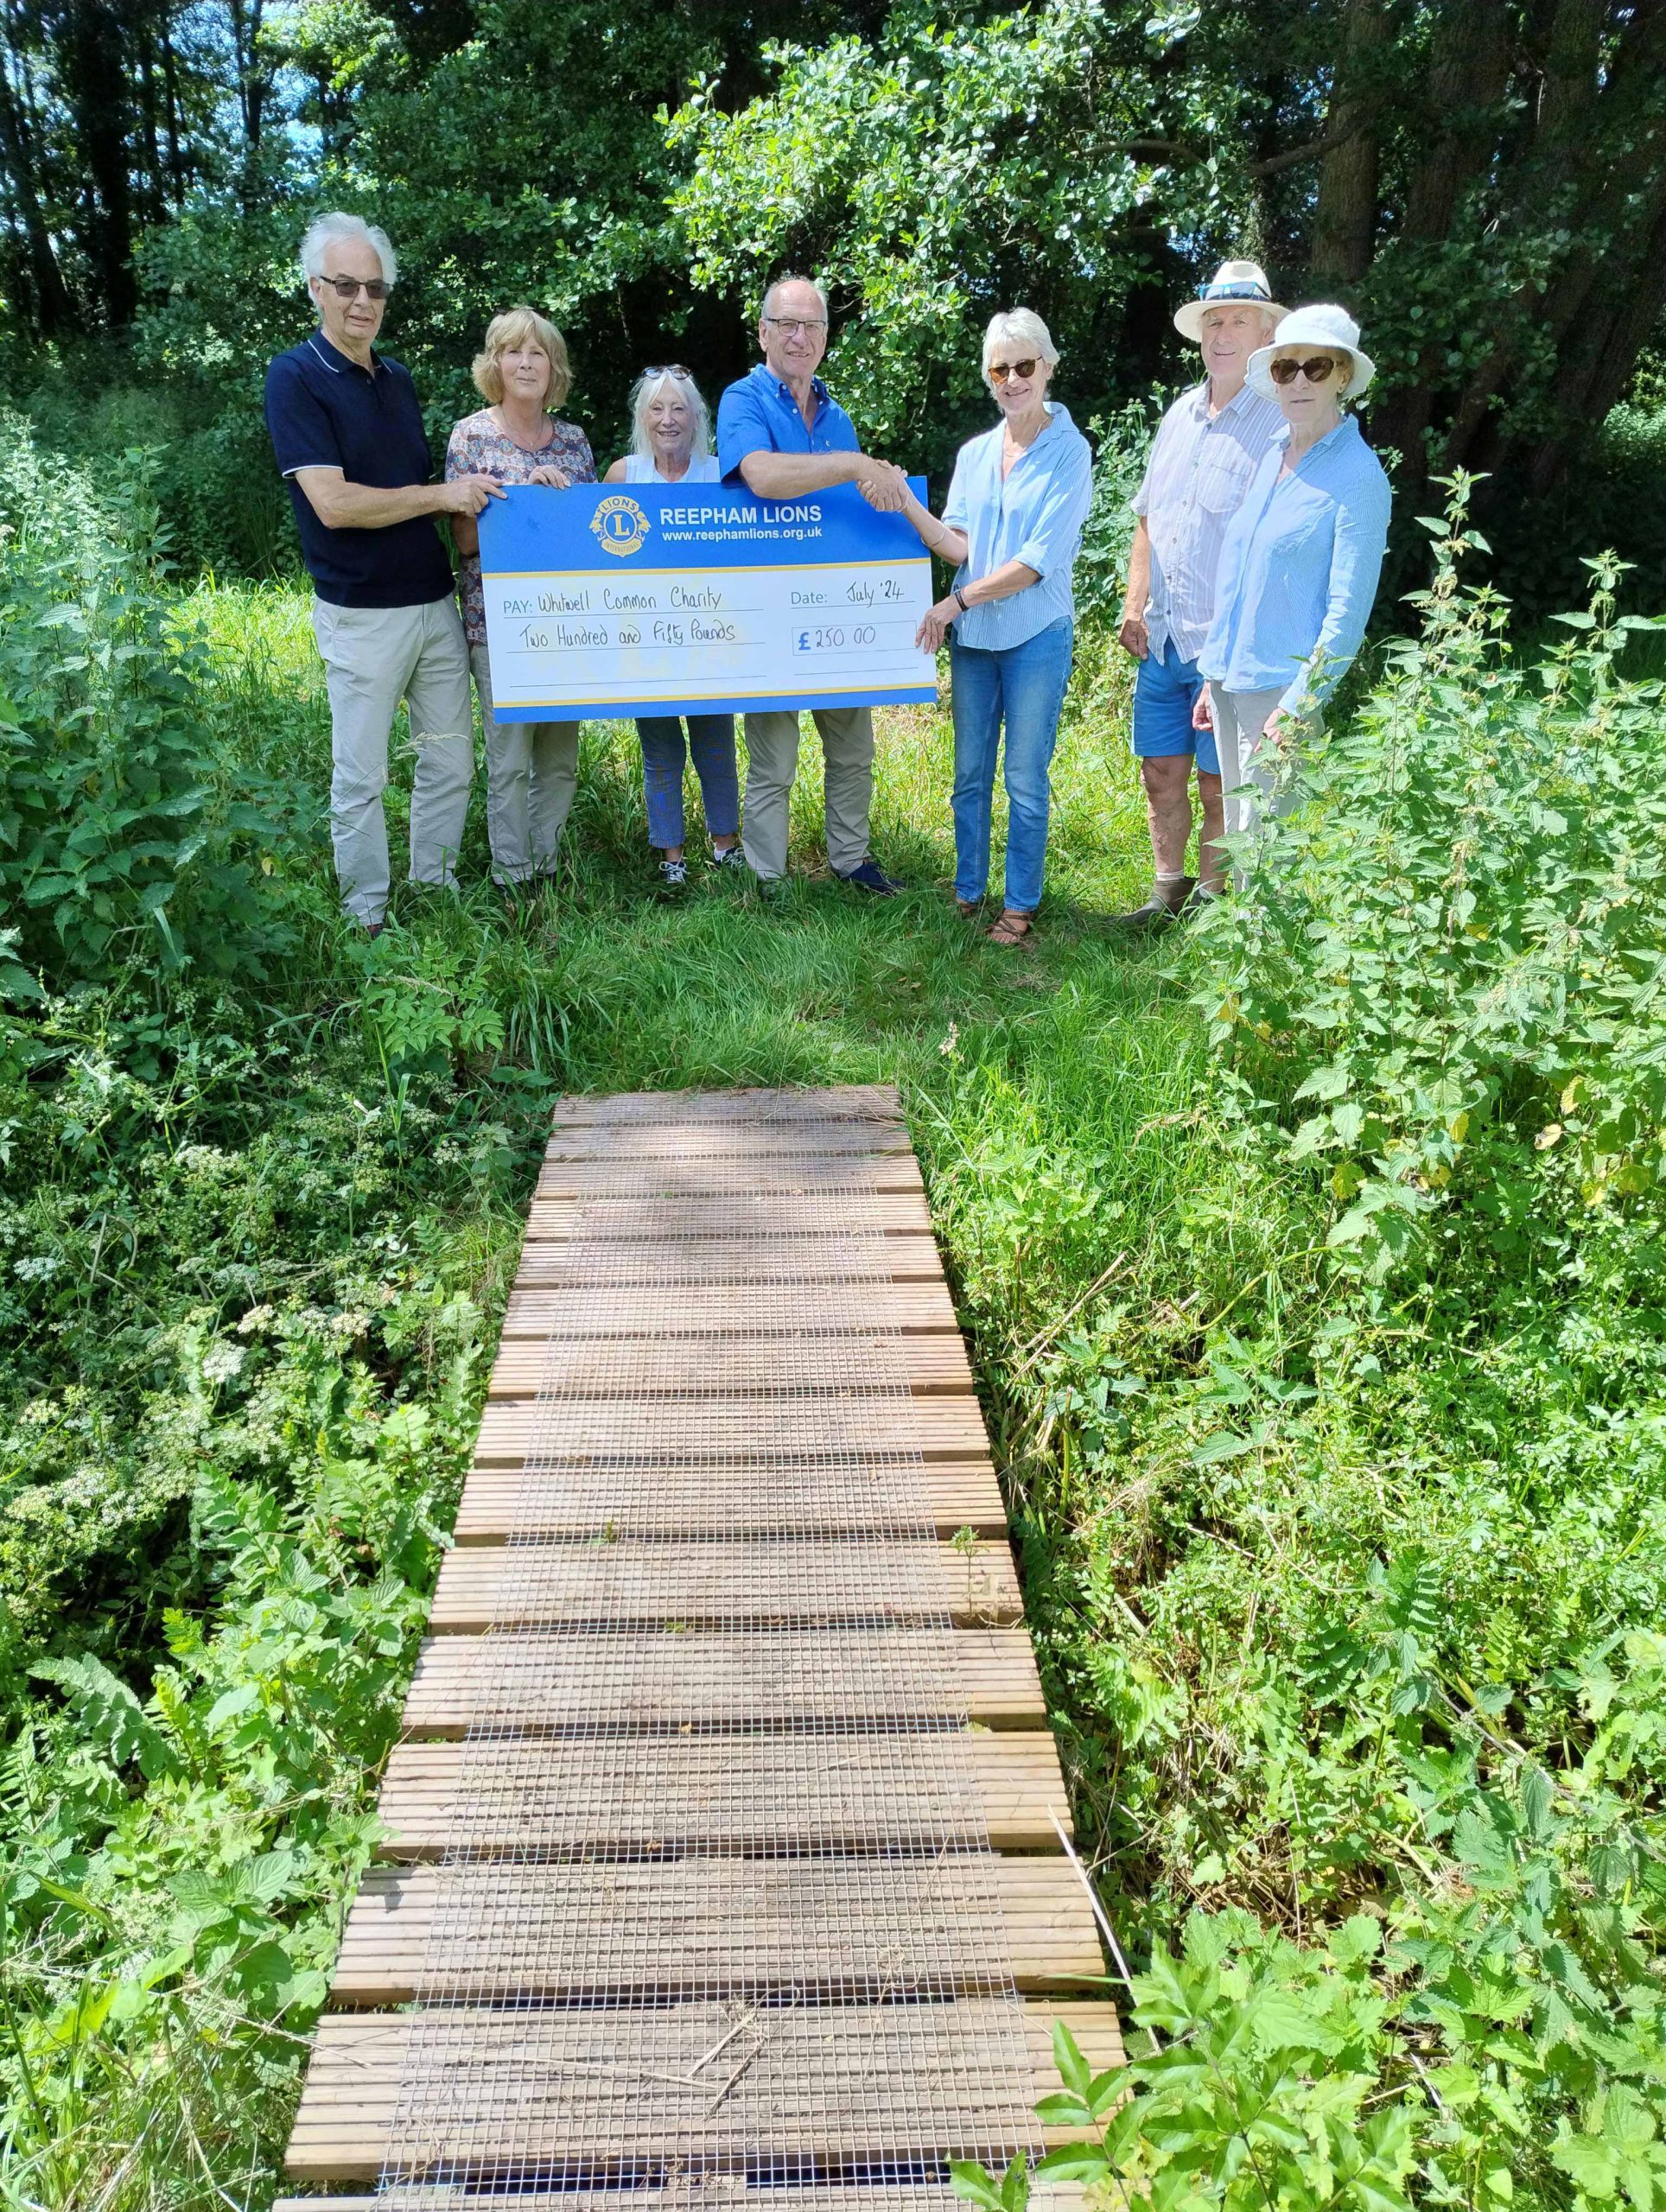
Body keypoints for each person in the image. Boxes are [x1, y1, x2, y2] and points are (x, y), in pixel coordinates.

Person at [265, 213, 506, 933]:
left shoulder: (395, 378)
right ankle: (366, 915)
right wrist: (443, 496)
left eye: (376, 287)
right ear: (316, 290)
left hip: (433, 601)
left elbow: (420, 490)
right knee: (360, 778)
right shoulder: (296, 376)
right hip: (361, 612)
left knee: (450, 764)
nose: (362, 300)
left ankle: (432, 889)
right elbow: (333, 504)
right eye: (346, 285)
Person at [894, 310, 1092, 945]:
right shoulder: (975, 454)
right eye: (1000, 368)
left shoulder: (1070, 451)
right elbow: (959, 546)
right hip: (977, 644)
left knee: (1025, 778)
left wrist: (953, 605)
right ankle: (968, 890)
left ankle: (1020, 905)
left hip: (1036, 635)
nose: (1012, 379)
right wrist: (907, 503)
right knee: (969, 776)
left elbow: (1035, 564)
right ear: (988, 376)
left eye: (1024, 365)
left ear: (1049, 366)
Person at [715, 275, 909, 897]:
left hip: (834, 608)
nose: (800, 338)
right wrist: (857, 465)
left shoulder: (837, 415)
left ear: (825, 338)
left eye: (813, 327)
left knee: (853, 747)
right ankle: (767, 880)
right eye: (788, 325)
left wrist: (887, 486)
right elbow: (763, 476)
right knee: (773, 758)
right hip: (769, 611)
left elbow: (854, 508)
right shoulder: (742, 399)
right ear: (764, 331)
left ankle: (852, 861)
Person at [1111, 260, 1286, 930]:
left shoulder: (1276, 419)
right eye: (1214, 320)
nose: (1223, 333)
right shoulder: (1180, 416)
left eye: (1239, 320)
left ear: (1266, 331)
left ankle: (1214, 901)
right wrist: (1134, 605)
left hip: (1226, 644)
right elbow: (1148, 518)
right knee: (1161, 771)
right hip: (1164, 635)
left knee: (1220, 780)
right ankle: (1166, 892)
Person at [1192, 303, 1392, 861]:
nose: (1299, 381)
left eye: (1317, 367)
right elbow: (1242, 573)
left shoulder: (1359, 476)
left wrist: (1300, 705)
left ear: (1343, 376)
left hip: (1282, 696)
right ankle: (1245, 951)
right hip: (1234, 682)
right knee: (1241, 841)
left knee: (1272, 858)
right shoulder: (1272, 454)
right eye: (1286, 368)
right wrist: (1213, 675)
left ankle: (1271, 952)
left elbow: (1347, 614)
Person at [445, 308, 596, 894]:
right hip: (498, 624)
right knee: (509, 761)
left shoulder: (576, 443)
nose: (527, 362)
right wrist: (521, 505)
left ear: (553, 367)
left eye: (539, 353)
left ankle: (548, 866)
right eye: (514, 351)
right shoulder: (472, 436)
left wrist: (560, 510)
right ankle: (513, 877)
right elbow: (461, 539)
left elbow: (591, 539)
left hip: (566, 627)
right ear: (496, 363)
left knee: (558, 758)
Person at [602, 368, 741, 892]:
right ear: (642, 417)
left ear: (696, 418)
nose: (668, 419)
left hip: (710, 641)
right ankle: (672, 857)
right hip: (647, 646)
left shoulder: (721, 473)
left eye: (679, 409)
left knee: (716, 748)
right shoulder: (623, 475)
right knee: (660, 752)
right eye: (657, 409)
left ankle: (726, 847)